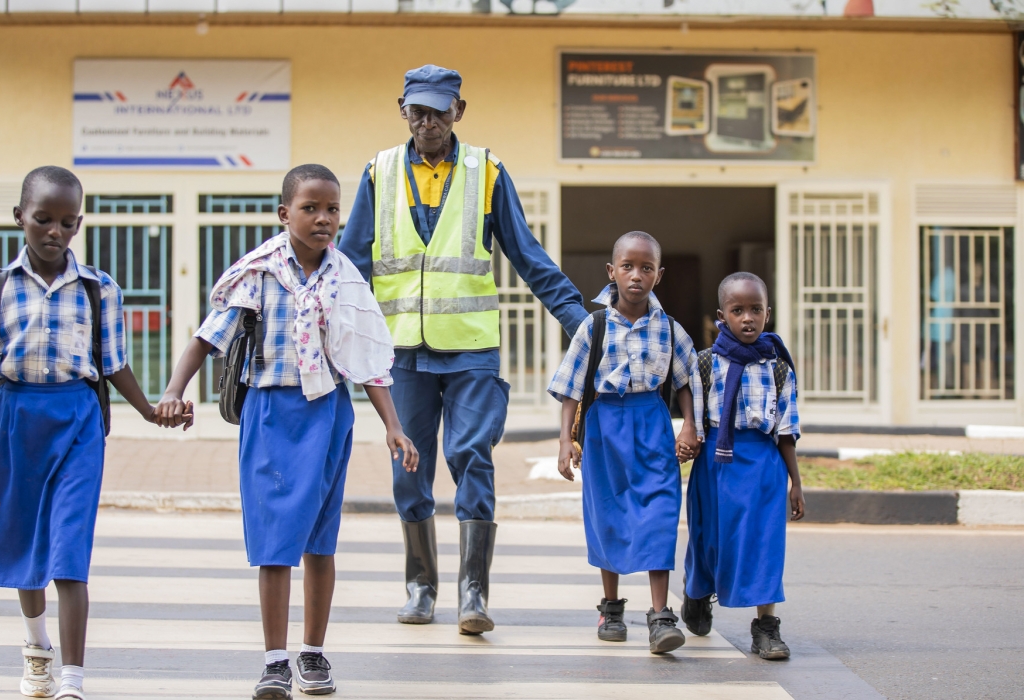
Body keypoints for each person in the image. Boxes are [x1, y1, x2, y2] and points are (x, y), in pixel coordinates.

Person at [155, 165, 418, 700]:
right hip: (270, 415)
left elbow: (365, 358)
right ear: (284, 214)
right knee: (274, 544)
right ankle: (275, 661)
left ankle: (313, 653)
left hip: (328, 416)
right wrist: (174, 389)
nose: (323, 219)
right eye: (310, 208)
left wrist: (393, 425)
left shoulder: (345, 278)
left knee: (321, 541)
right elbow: (208, 337)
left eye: (332, 210)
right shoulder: (258, 273)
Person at [340, 64, 587, 634]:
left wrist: (581, 322)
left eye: (439, 111)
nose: (428, 122)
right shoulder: (378, 172)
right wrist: (339, 331)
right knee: (410, 467)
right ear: (402, 108)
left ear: (459, 111)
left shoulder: (487, 171)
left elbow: (528, 255)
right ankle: (420, 586)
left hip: (472, 349)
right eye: (417, 111)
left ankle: (472, 593)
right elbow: (351, 260)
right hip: (400, 351)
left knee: (472, 456)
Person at [0, 166, 176, 700]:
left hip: (77, 422)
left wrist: (147, 410)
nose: (55, 231)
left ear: (78, 224)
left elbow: (115, 365)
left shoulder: (100, 290)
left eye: (67, 223)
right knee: (28, 543)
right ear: (19, 218)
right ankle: (36, 650)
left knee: (69, 549)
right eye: (43, 219)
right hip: (15, 420)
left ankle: (72, 680)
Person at [551, 231, 700, 654]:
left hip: (651, 419)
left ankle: (659, 616)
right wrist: (566, 441)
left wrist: (689, 425)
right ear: (611, 271)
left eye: (647, 267)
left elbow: (687, 379)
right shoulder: (592, 326)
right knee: (608, 513)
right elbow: (571, 388)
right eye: (628, 267)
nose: (636, 275)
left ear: (659, 275)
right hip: (604, 428)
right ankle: (612, 608)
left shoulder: (670, 329)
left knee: (660, 511)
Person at [682, 271, 806, 660]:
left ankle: (766, 629)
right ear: (722, 316)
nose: (748, 318)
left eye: (756, 310)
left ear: (768, 314)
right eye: (738, 310)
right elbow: (695, 421)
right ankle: (698, 592)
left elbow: (786, 431)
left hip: (764, 467)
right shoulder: (704, 364)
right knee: (711, 541)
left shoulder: (780, 368)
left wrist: (795, 483)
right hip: (716, 465)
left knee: (764, 544)